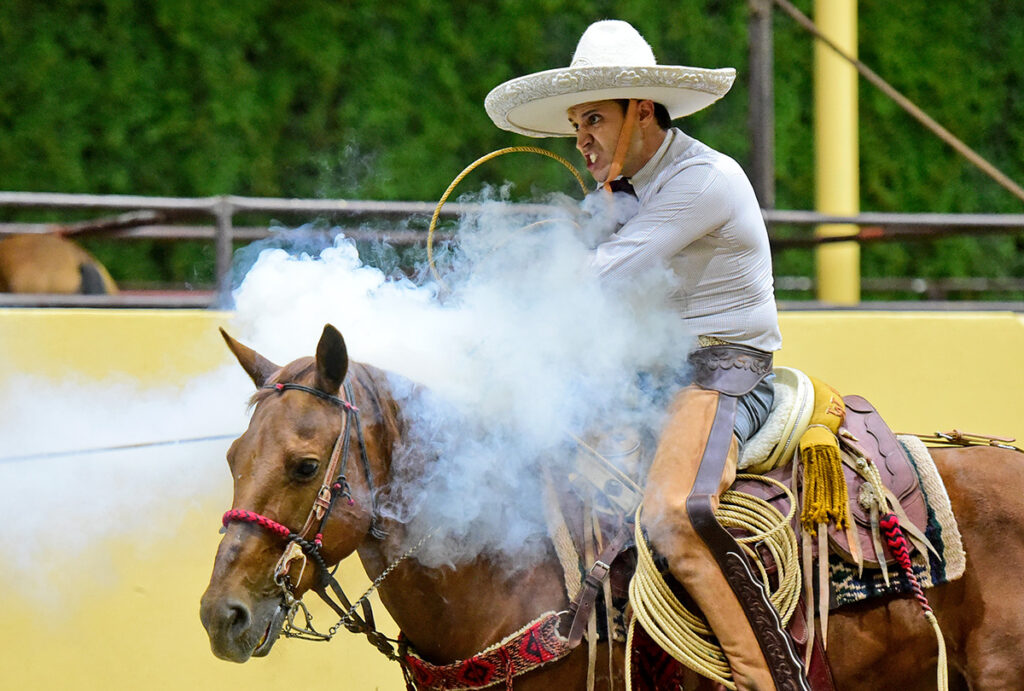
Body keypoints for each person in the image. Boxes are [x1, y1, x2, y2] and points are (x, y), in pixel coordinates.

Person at [485, 19, 809, 691]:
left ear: (642, 111)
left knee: (671, 513)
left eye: (594, 119)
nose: (582, 139)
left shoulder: (705, 181)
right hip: (648, 379)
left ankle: (766, 679)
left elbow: (592, 283)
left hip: (725, 375)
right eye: (577, 124)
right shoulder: (612, 196)